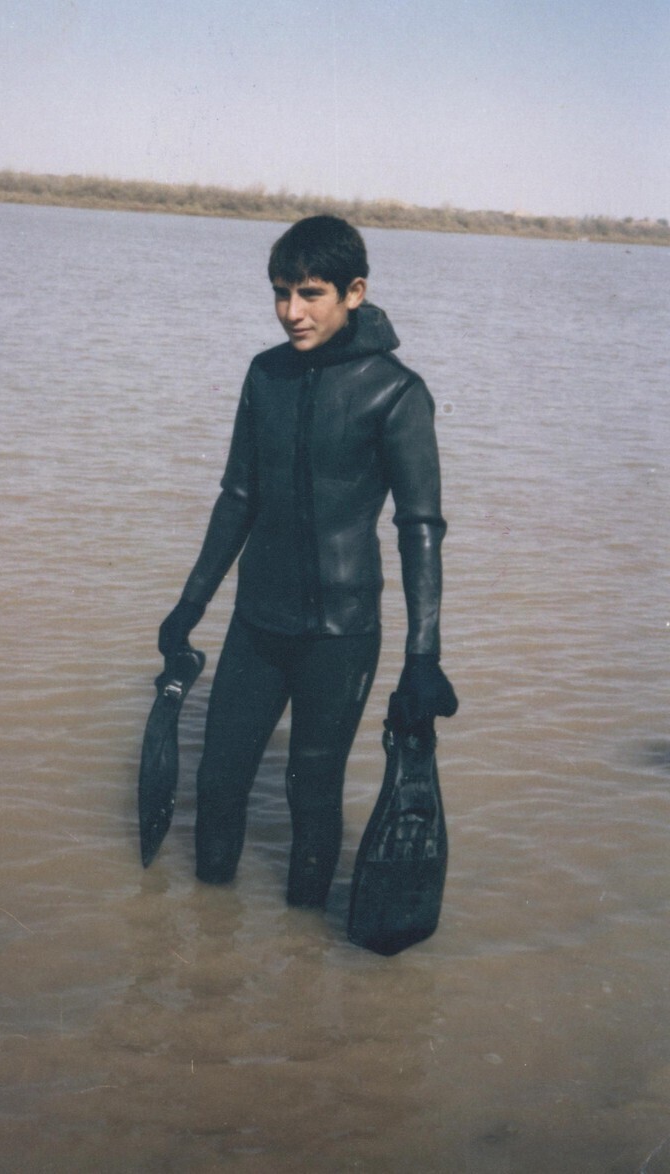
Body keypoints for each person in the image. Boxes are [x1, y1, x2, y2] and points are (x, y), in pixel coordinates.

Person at [158, 215, 457, 908]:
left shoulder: (396, 392)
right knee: (217, 781)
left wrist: (423, 655)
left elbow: (420, 527)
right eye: (280, 293)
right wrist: (189, 606)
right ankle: (211, 939)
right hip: (257, 621)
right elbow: (238, 497)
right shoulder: (265, 374)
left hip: (340, 634)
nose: (292, 311)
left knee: (312, 790)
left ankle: (307, 927)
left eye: (311, 293)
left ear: (354, 293)